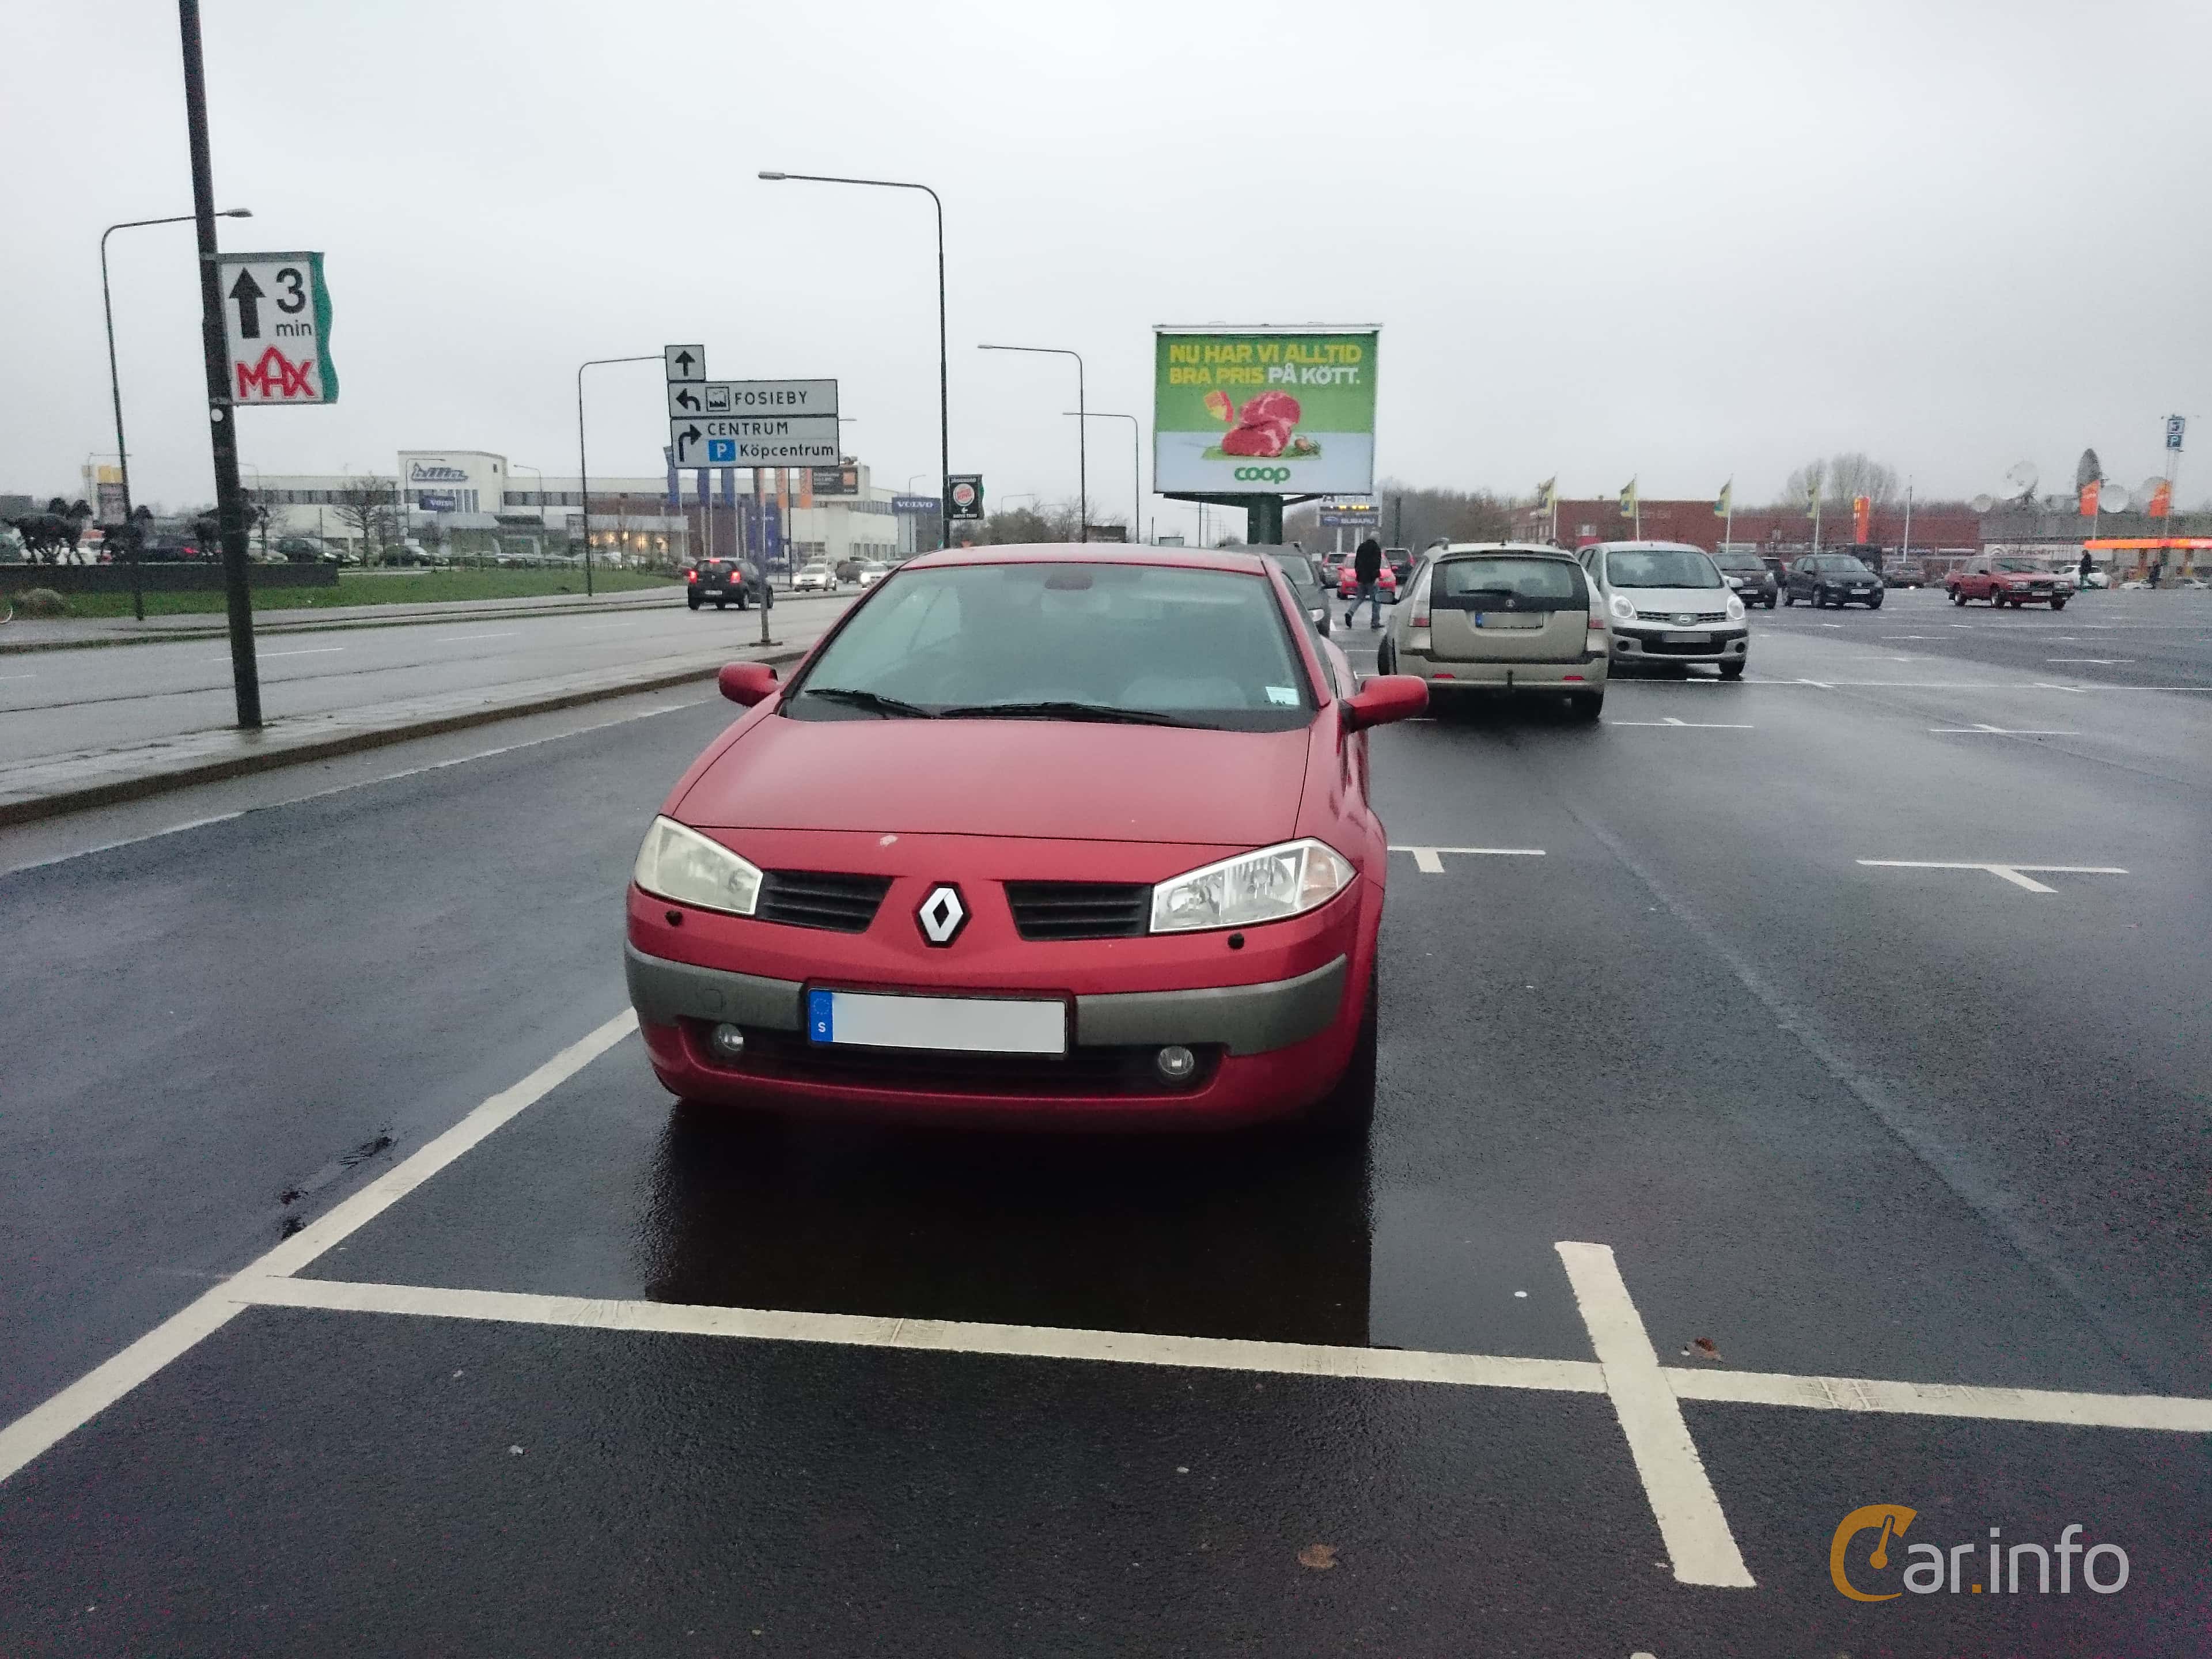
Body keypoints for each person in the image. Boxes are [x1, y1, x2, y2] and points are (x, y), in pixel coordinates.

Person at [1345, 535, 1385, 630]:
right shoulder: (1376, 548)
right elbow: (1376, 564)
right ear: (1376, 539)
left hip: (1361, 578)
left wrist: (1358, 574)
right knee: (1376, 600)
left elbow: (1357, 563)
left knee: (1359, 598)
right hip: (1371, 578)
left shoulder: (1361, 547)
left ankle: (1350, 612)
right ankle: (1375, 622)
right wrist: (1376, 577)